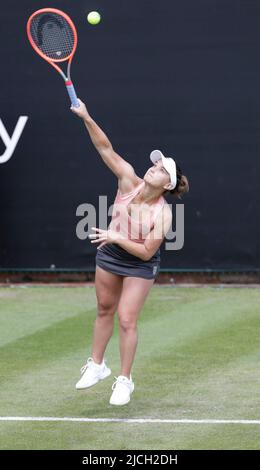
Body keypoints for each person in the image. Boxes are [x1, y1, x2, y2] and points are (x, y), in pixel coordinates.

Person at [71, 99, 189, 405]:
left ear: (168, 184)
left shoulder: (164, 215)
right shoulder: (128, 180)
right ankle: (97, 365)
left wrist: (115, 236)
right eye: (155, 164)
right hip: (110, 254)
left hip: (139, 263)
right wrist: (86, 116)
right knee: (103, 309)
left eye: (161, 169)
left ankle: (125, 379)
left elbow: (147, 253)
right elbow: (104, 148)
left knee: (126, 319)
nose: (154, 169)